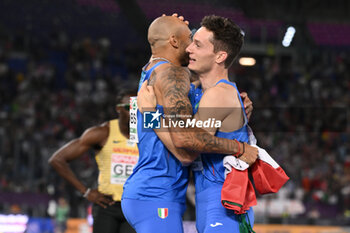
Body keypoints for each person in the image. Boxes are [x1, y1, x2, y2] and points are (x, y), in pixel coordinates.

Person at [122, 15, 258, 233]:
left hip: (160, 192)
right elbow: (187, 151)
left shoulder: (151, 72)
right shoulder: (174, 75)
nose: (190, 48)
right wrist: (240, 147)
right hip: (159, 193)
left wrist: (234, 110)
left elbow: (133, 130)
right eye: (190, 39)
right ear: (174, 41)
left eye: (197, 43)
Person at [49, 90, 137, 233]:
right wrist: (86, 192)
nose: (134, 112)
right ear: (118, 108)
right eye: (129, 107)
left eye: (138, 107)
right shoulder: (103, 133)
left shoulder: (147, 134)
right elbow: (57, 159)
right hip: (107, 206)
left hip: (135, 206)